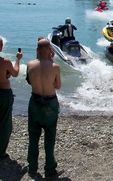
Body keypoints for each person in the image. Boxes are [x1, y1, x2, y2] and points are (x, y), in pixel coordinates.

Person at [26, 39, 61, 179]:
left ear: (37, 50)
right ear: (49, 50)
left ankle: (32, 167)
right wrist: (50, 60)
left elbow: (29, 81)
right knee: (50, 137)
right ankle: (50, 169)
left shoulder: (29, 64)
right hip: (50, 103)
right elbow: (57, 86)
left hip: (34, 102)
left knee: (33, 136)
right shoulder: (55, 67)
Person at [0, 38, 22, 160]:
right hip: (4, 94)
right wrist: (18, 60)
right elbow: (15, 73)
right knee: (5, 123)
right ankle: (1, 152)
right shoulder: (6, 62)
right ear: (1, 47)